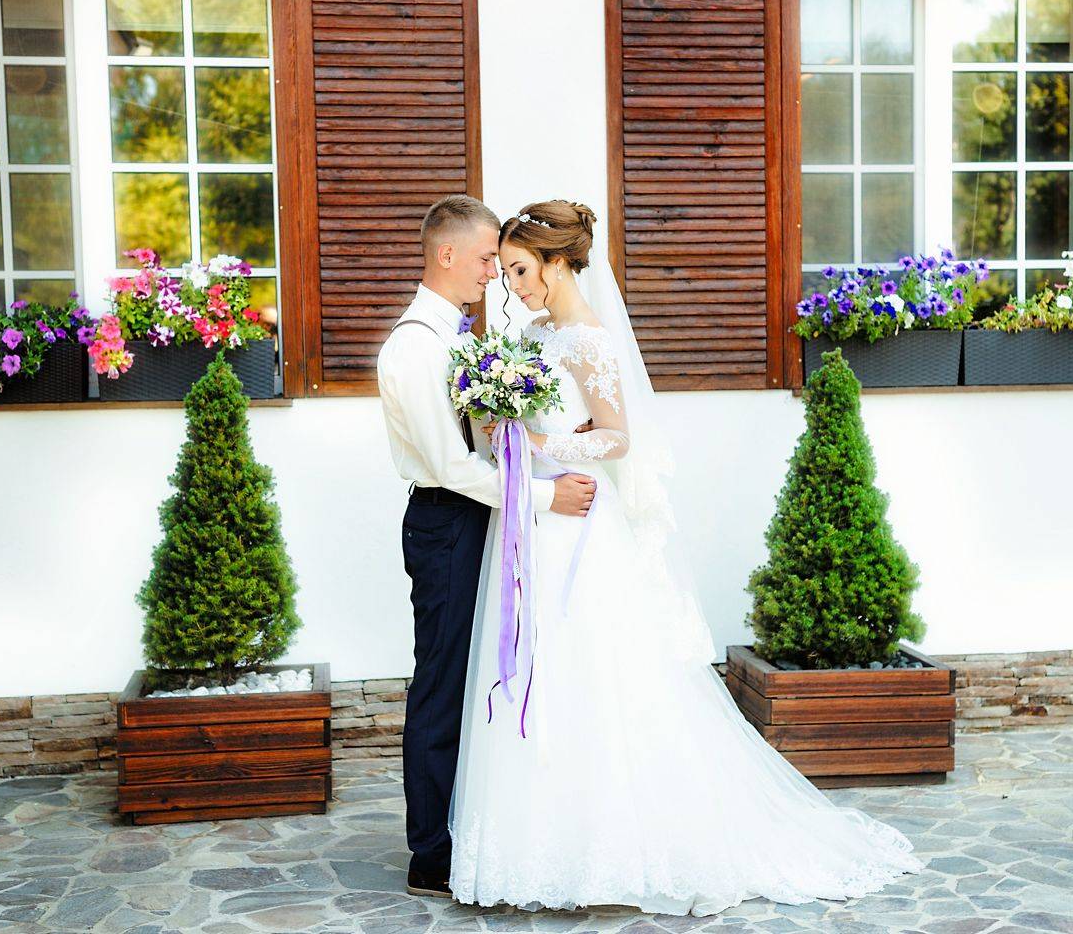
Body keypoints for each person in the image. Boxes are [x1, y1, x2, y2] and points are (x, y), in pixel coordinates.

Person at [446, 199, 926, 916]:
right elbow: (529, 421)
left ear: (558, 262)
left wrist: (541, 444)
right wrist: (497, 424)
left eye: (519, 270)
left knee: (596, 674)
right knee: (537, 674)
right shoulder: (534, 335)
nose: (511, 286)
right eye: (507, 271)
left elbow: (616, 437)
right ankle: (544, 846)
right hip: (534, 524)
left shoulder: (589, 340)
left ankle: (613, 848)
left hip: (580, 528)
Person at [375, 195, 597, 899]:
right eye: (482, 260)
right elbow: (451, 467)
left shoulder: (457, 337)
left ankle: (466, 825)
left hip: (480, 515)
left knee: (476, 675)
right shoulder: (416, 346)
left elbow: (486, 442)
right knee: (442, 682)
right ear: (446, 254)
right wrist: (545, 496)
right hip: (447, 521)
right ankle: (430, 853)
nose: (490, 274)